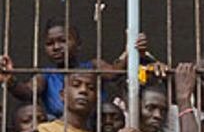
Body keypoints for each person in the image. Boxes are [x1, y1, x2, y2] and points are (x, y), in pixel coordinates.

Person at [0, 17, 148, 119]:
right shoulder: (45, 75)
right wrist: (10, 79)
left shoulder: (93, 66)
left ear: (78, 45)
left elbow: (114, 73)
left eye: (63, 41)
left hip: (95, 131)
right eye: (50, 43)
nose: (56, 47)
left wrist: (131, 51)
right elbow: (28, 92)